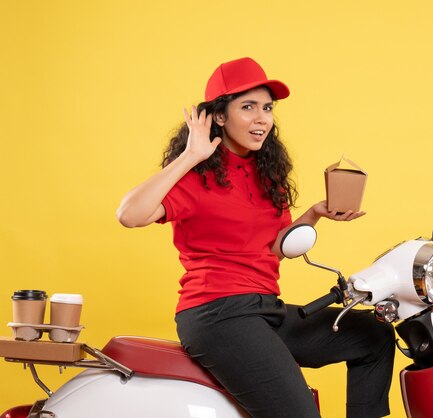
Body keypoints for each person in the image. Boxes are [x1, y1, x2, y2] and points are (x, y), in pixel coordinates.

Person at [116, 57, 395, 418]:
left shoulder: (267, 175)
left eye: (267, 108)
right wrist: (190, 155)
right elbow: (129, 215)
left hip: (265, 308)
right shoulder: (195, 178)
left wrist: (313, 216)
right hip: (216, 315)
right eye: (248, 107)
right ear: (218, 116)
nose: (262, 118)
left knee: (372, 335)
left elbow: (272, 251)